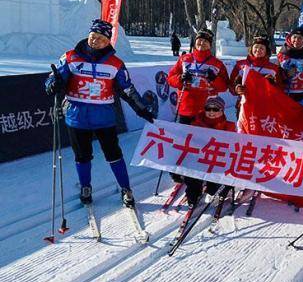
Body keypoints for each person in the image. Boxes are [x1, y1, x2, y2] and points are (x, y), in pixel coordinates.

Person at [45, 19, 155, 207]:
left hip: (103, 118)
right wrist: (53, 84)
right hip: (76, 116)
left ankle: (126, 188)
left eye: (101, 39)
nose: (96, 41)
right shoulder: (71, 57)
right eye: (93, 37)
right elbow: (53, 81)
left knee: (114, 154)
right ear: (88, 36)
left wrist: (142, 109)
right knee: (82, 156)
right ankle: (85, 187)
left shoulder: (115, 63)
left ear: (108, 42)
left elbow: (127, 90)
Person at [181, 96, 236, 210]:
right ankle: (193, 196)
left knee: (217, 184)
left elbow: (234, 146)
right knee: (191, 174)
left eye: (215, 109)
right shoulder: (195, 124)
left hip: (217, 161)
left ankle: (213, 189)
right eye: (208, 109)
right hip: (199, 159)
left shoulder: (229, 127)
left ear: (222, 110)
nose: (211, 112)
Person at [167, 30, 229, 124]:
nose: (202, 43)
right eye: (200, 40)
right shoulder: (184, 59)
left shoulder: (217, 63)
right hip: (186, 108)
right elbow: (170, 78)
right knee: (184, 137)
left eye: (206, 41)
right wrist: (180, 78)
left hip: (208, 110)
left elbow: (224, 87)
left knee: (204, 138)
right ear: (195, 41)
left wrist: (214, 79)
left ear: (210, 45)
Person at [229, 34, 281, 102]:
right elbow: (231, 84)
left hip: (266, 104)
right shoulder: (240, 65)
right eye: (256, 47)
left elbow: (280, 88)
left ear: (266, 51)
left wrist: (272, 85)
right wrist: (237, 89)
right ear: (251, 48)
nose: (258, 50)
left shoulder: (274, 68)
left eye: (262, 48)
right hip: (245, 104)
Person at [277, 26, 303, 105]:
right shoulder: (283, 54)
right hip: (288, 94)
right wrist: (286, 75)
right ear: (290, 38)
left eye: (300, 38)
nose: (297, 40)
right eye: (295, 37)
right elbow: (277, 75)